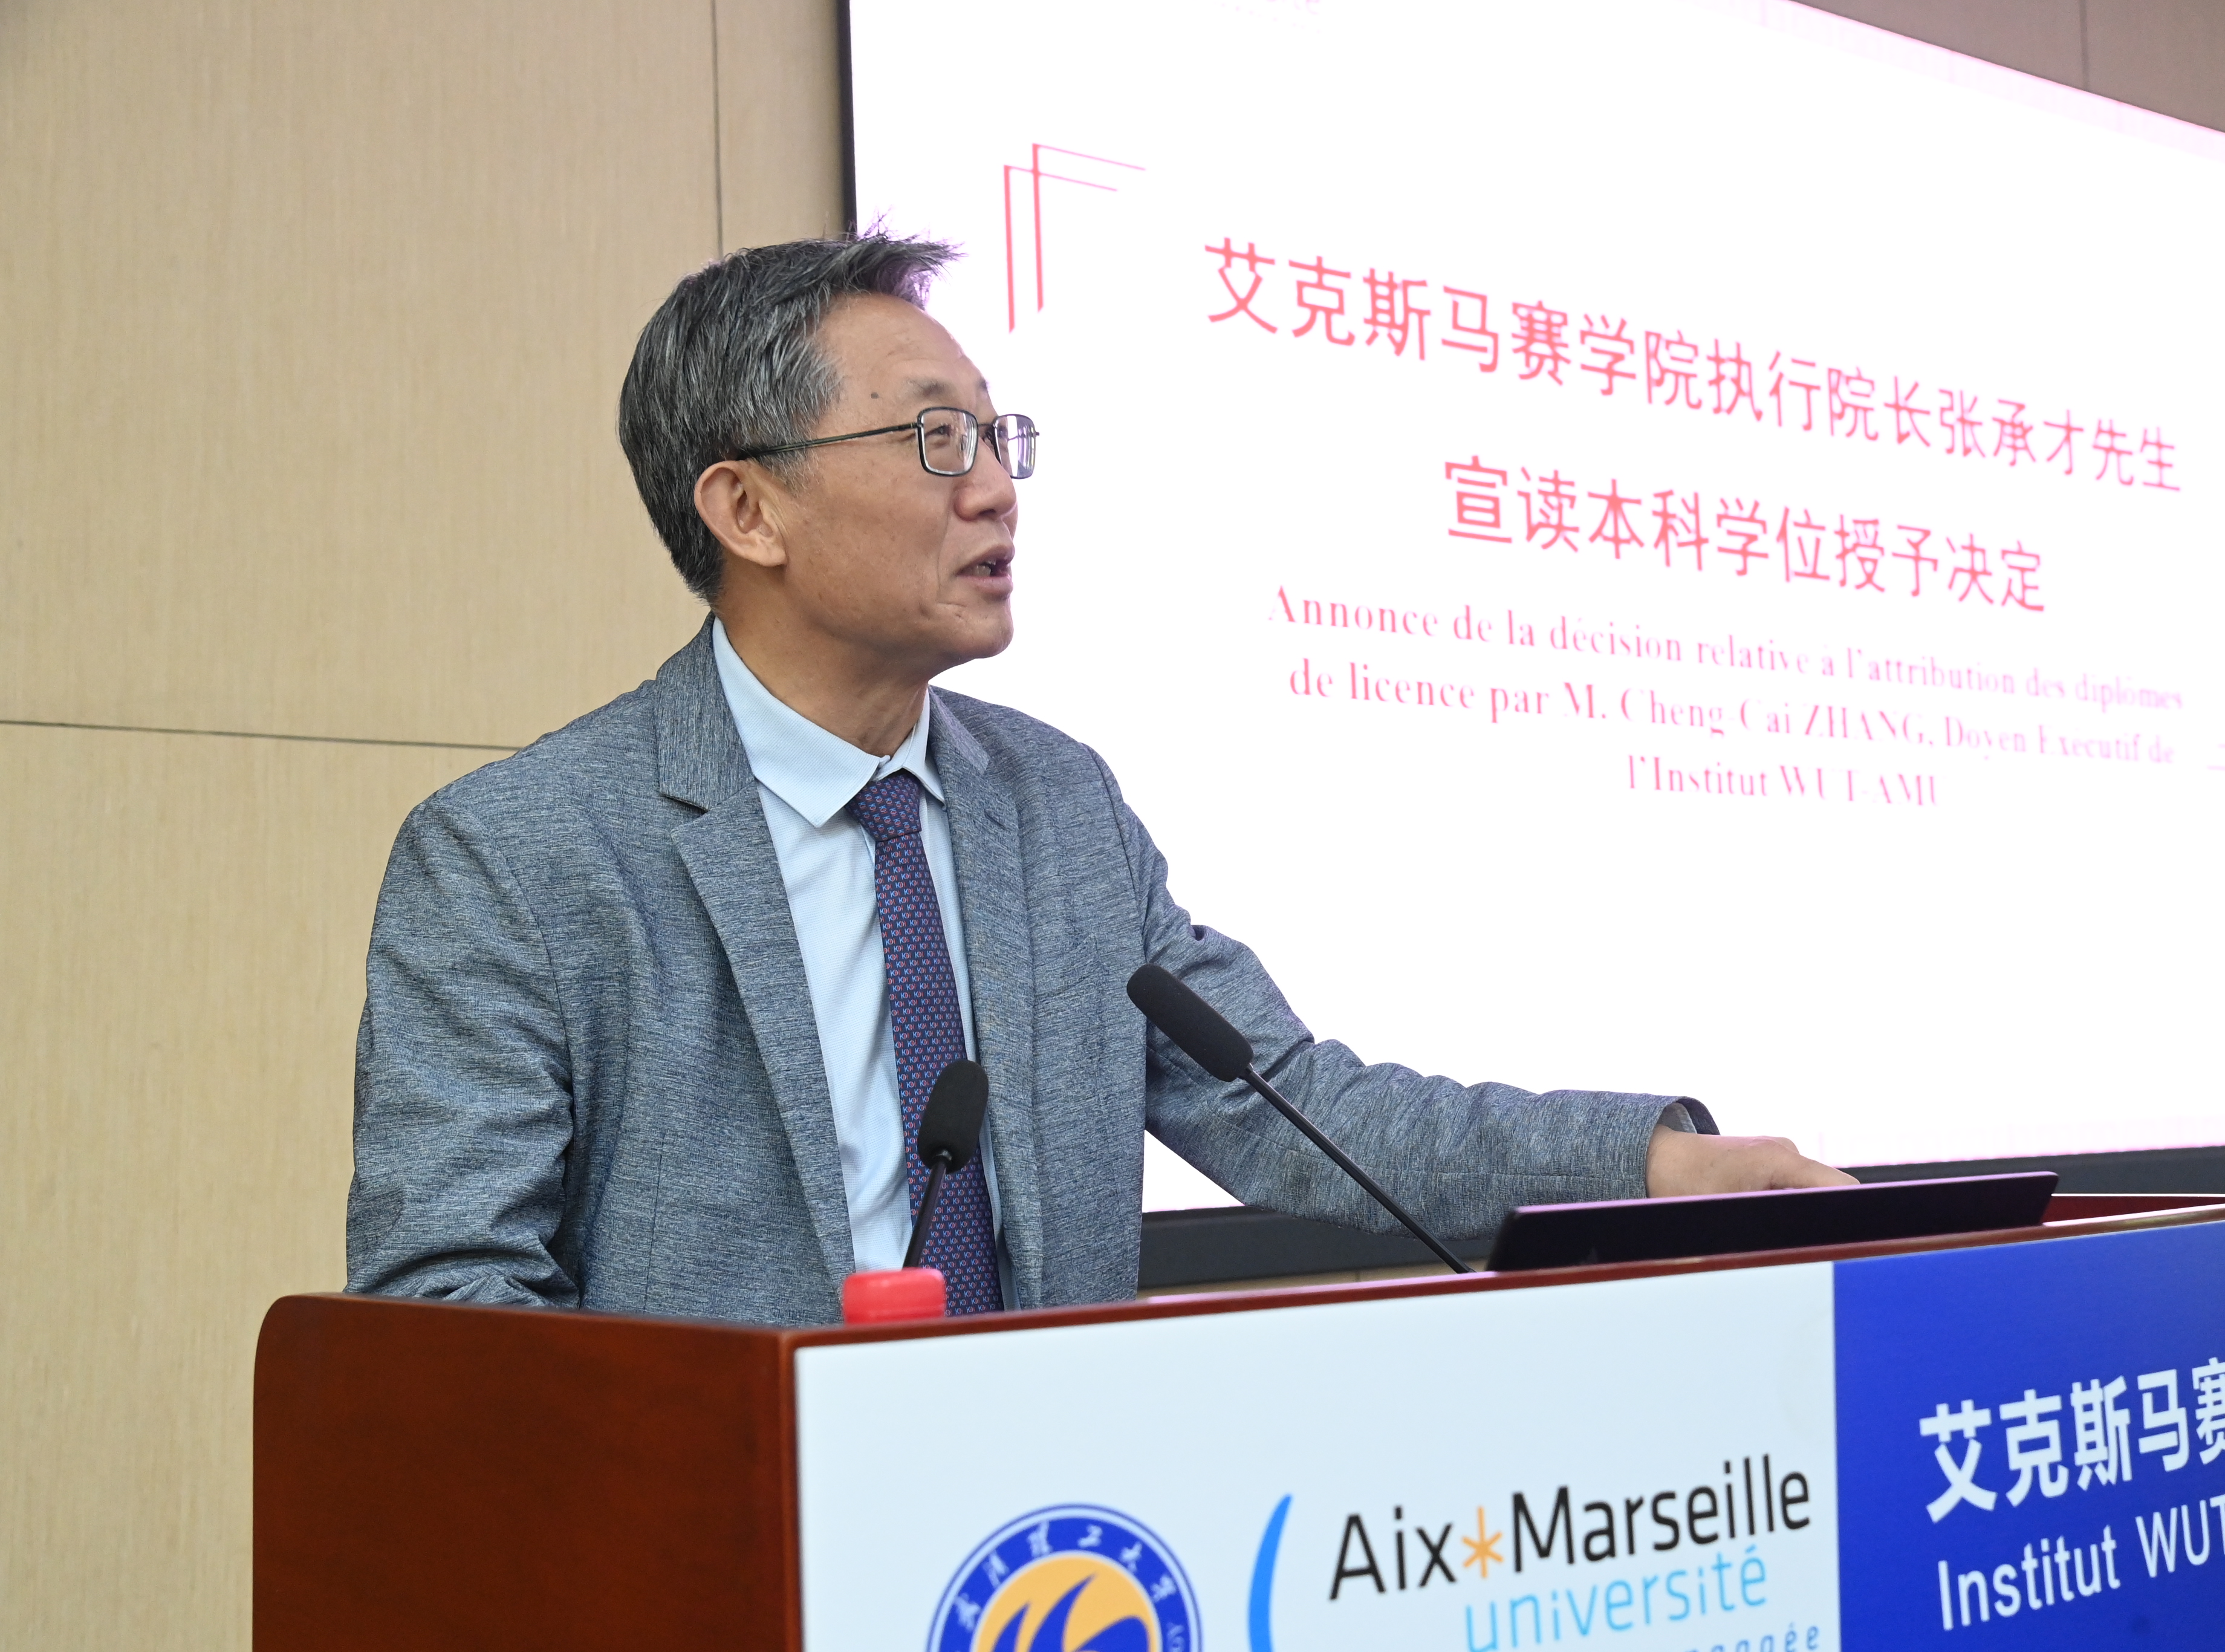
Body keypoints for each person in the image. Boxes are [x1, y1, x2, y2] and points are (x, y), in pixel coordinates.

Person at [346, 233, 1852, 1327]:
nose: (997, 488)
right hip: (723, 1556)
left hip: (1061, 1561)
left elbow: (1295, 1105)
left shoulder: (1054, 807)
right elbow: (447, 1300)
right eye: (937, 438)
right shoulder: (523, 858)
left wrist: (1648, 1162)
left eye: (998, 436)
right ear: (748, 510)